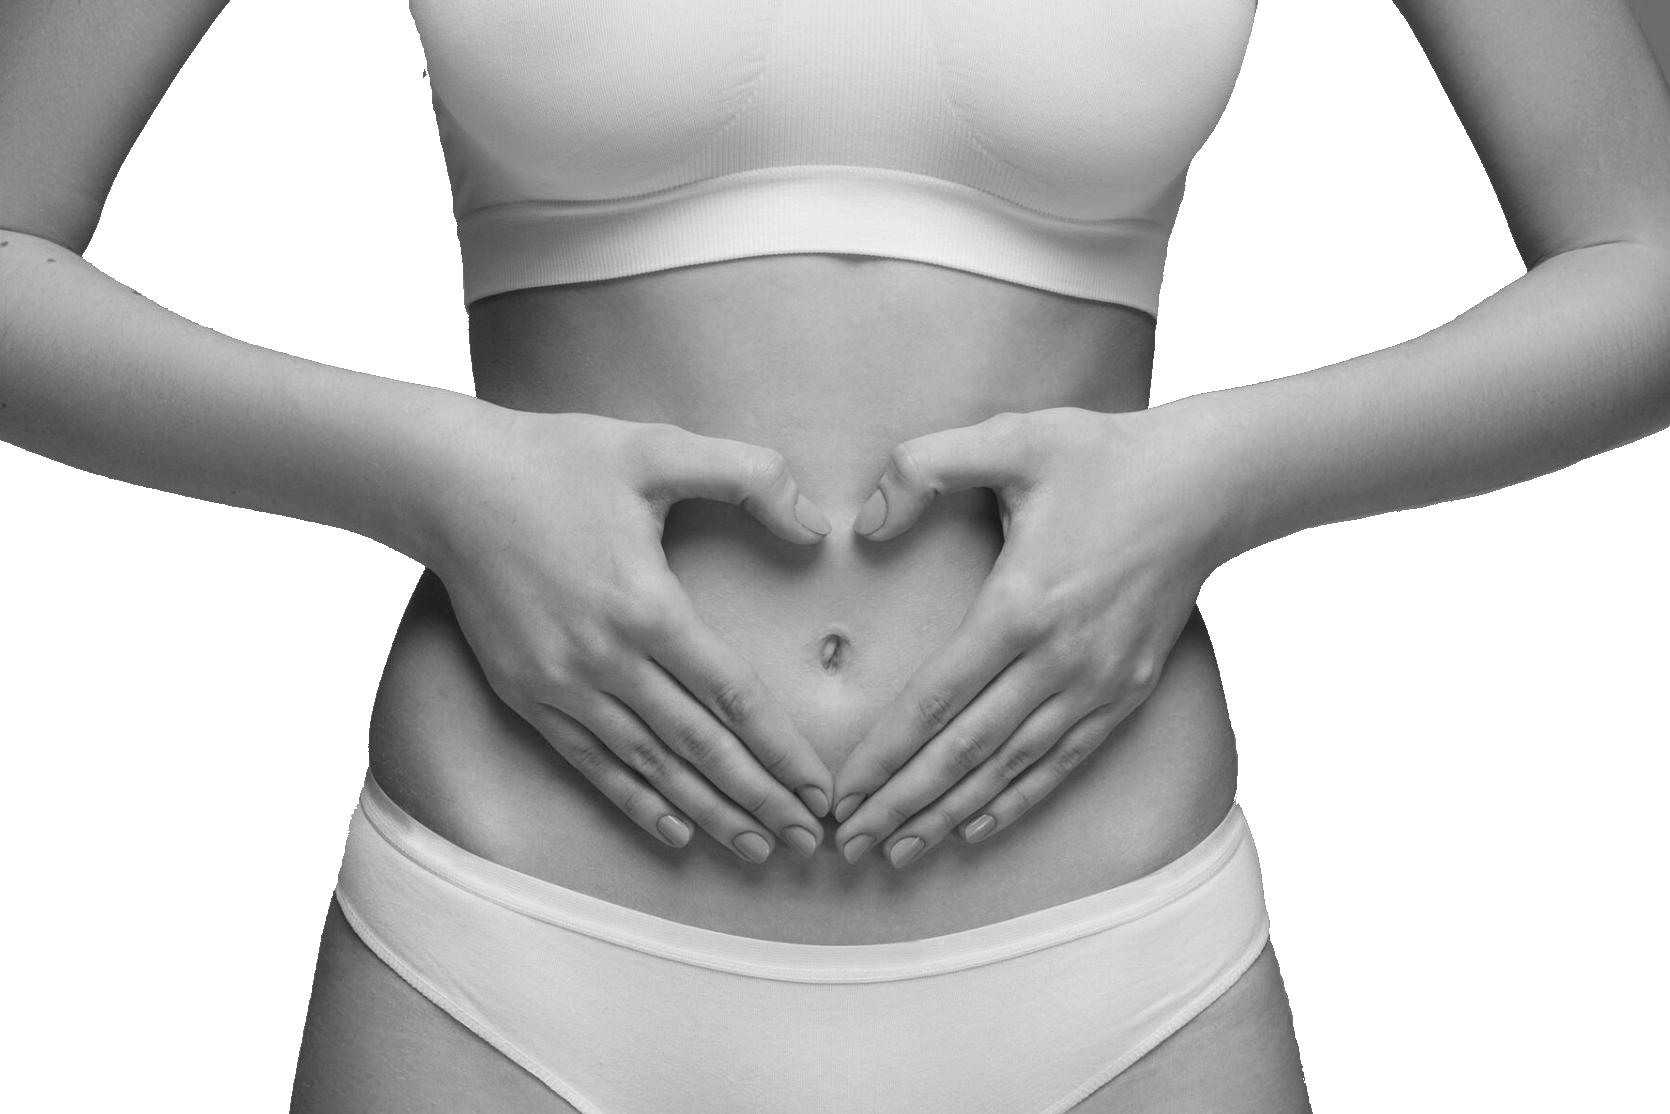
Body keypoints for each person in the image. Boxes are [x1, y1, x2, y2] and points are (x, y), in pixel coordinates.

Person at [3, 1, 1667, 1111]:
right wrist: (433, 474)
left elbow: (1640, 258)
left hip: (1112, 961)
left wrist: (1219, 477)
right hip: (509, 946)